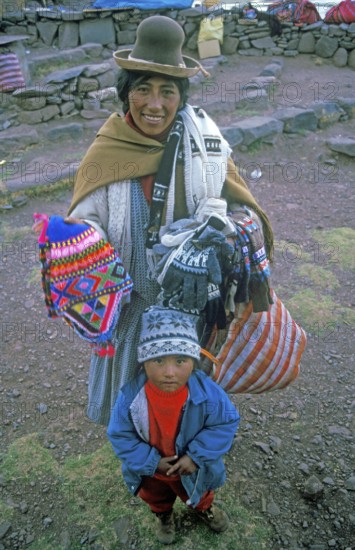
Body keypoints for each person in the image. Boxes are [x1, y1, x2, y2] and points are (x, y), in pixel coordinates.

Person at [66, 15, 274, 425]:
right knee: (131, 402)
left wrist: (226, 231)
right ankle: (141, 463)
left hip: (194, 308)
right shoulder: (108, 150)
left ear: (181, 96)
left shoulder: (206, 145)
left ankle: (187, 452)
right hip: (131, 310)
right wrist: (88, 246)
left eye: (167, 91)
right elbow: (81, 223)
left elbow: (244, 208)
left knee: (186, 400)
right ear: (126, 94)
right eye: (142, 89)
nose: (155, 104)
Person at [107, 306, 239, 544]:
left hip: (193, 469)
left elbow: (226, 422)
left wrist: (196, 456)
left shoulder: (207, 393)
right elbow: (119, 435)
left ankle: (203, 508)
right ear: (144, 362)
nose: (169, 372)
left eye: (180, 361)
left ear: (193, 361)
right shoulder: (130, 397)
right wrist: (151, 461)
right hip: (152, 473)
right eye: (158, 360)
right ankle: (164, 516)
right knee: (156, 497)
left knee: (200, 492)